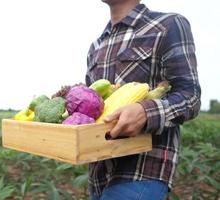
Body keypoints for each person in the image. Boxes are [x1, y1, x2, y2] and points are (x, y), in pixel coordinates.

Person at [85, 0, 201, 199]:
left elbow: (191, 95)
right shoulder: (96, 46)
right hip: (98, 173)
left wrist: (146, 112)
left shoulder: (168, 25)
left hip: (144, 168)